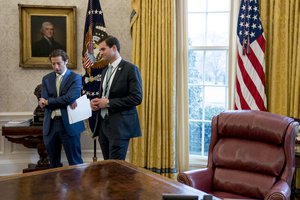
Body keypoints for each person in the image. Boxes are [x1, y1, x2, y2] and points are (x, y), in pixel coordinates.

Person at [90, 35, 143, 160]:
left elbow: (137, 98)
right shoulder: (105, 71)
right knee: (107, 167)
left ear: (114, 48)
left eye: (103, 49)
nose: (100, 53)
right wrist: (97, 103)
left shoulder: (130, 69)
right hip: (103, 126)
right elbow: (105, 95)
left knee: (116, 170)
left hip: (119, 127)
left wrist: (108, 103)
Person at [38, 49, 85, 168]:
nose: (56, 67)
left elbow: (69, 98)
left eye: (59, 63)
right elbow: (43, 99)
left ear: (66, 61)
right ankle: (55, 187)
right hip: (51, 124)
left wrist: (48, 102)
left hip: (69, 123)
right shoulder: (46, 79)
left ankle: (77, 187)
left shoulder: (76, 78)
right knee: (53, 164)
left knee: (75, 163)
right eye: (53, 64)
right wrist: (44, 102)